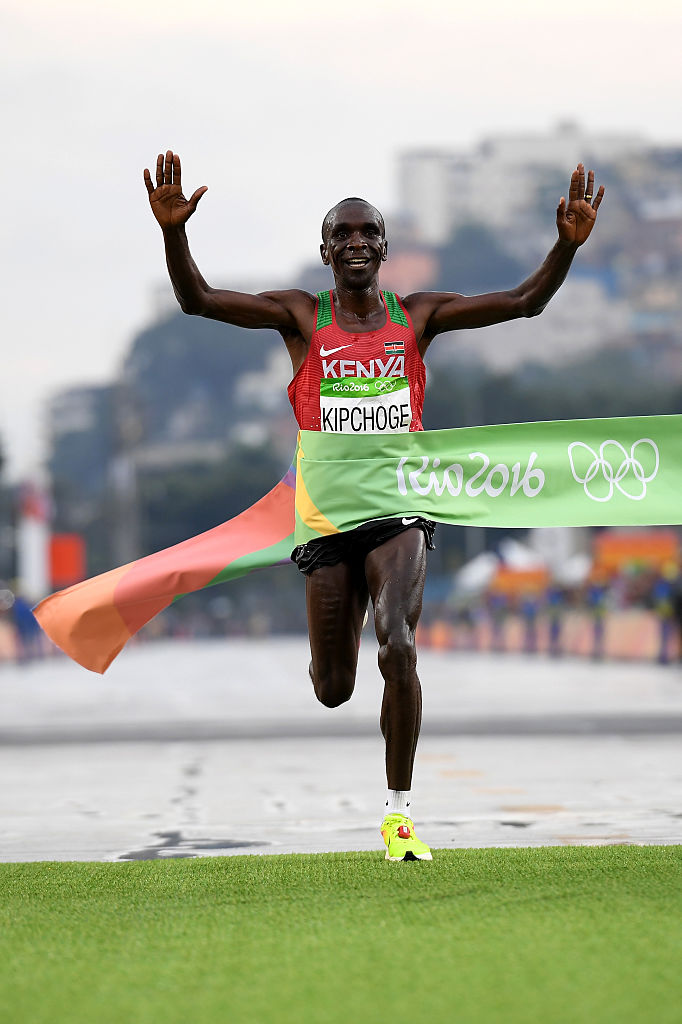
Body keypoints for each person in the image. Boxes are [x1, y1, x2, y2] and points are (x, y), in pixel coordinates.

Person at [144, 151, 604, 861]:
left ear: (384, 250)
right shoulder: (300, 316)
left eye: (369, 233)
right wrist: (175, 234)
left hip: (400, 508)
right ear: (327, 252)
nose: (357, 241)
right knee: (332, 687)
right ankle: (342, 634)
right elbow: (198, 299)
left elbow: (524, 303)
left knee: (399, 642)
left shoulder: (417, 318)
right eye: (344, 233)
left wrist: (564, 249)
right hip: (328, 520)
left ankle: (399, 814)